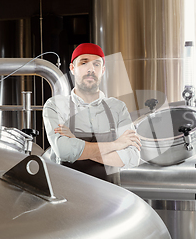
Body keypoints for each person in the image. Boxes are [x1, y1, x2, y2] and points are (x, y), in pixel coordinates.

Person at [42, 43, 141, 184]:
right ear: (72, 68)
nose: (90, 69)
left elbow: (132, 157)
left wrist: (77, 145)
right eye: (84, 63)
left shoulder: (117, 108)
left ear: (103, 70)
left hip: (111, 199)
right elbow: (64, 151)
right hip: (68, 197)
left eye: (96, 64)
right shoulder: (56, 105)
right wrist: (116, 144)